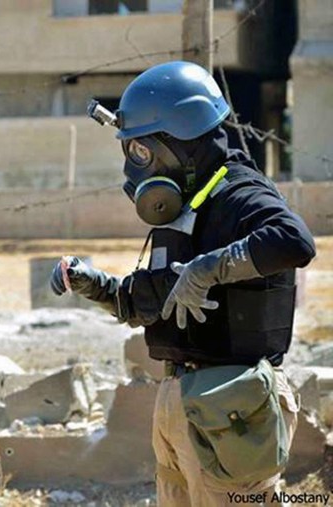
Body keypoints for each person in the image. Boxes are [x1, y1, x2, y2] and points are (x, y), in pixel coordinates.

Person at [51, 62, 316, 506]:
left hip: (233, 406)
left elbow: (294, 241)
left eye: (141, 151)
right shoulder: (185, 206)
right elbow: (155, 299)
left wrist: (209, 268)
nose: (136, 164)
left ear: (182, 142)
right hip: (180, 401)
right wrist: (94, 284)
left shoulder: (240, 193)